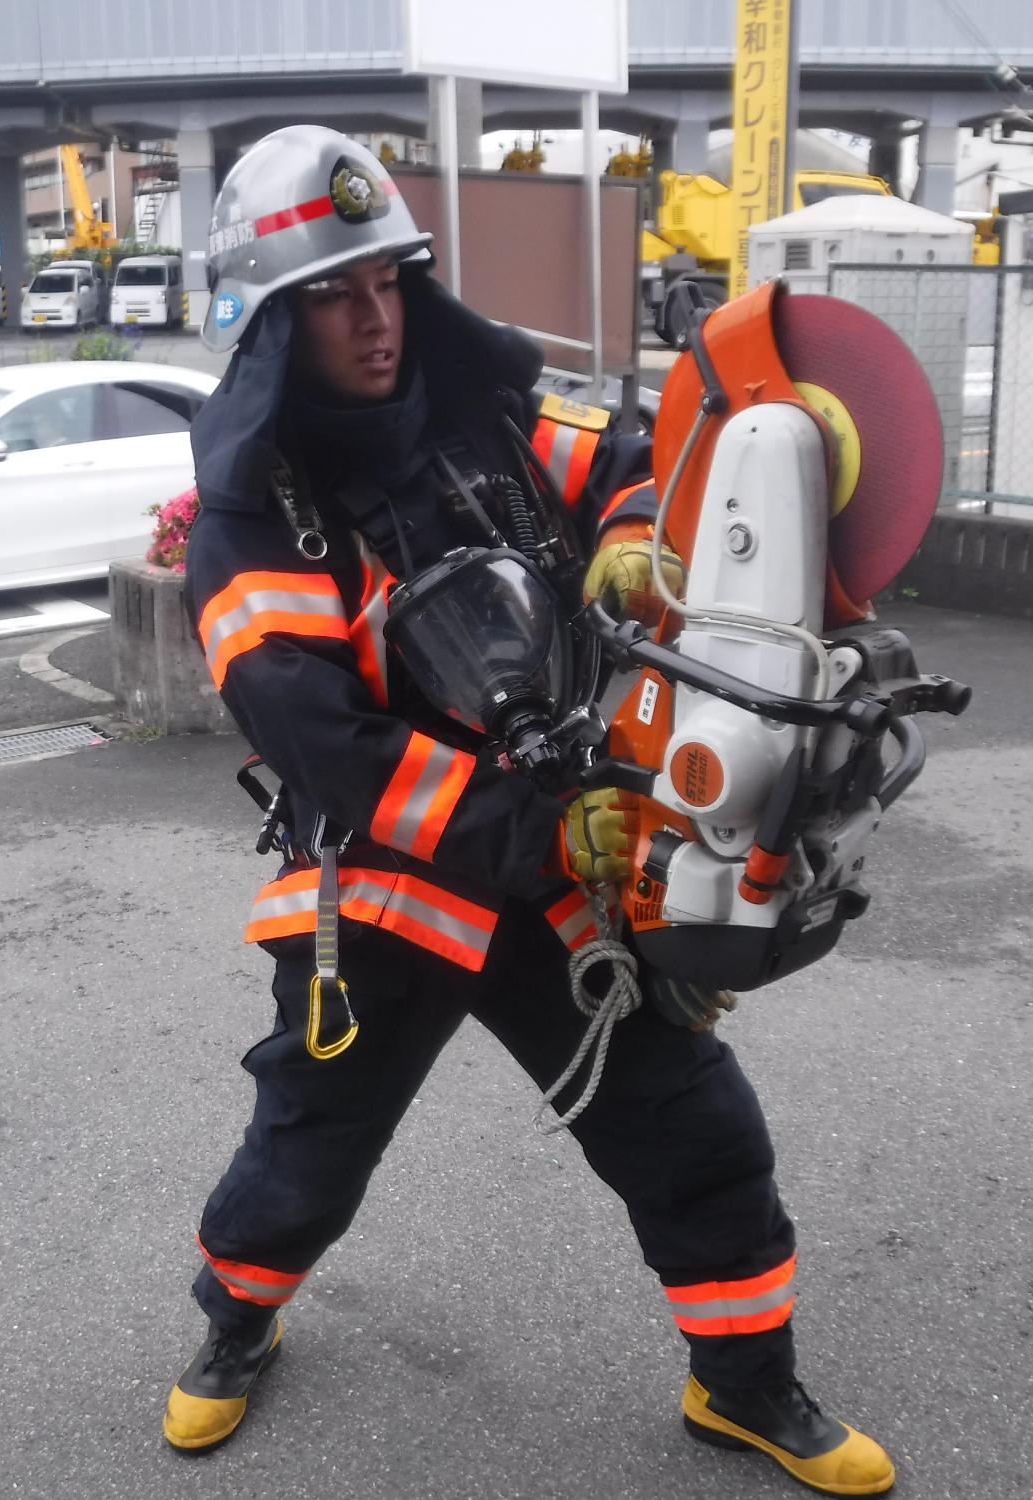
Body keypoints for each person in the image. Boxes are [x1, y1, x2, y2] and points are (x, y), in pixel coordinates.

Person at [167, 125, 895, 1498]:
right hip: (394, 890)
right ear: (268, 325)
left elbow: (642, 458)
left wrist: (628, 533)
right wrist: (540, 830)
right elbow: (329, 750)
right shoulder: (250, 523)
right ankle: (237, 1322)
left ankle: (745, 1386)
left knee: (692, 1129)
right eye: (331, 297)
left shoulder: (488, 415)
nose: (376, 321)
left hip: (574, 856)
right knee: (310, 1143)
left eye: (386, 281)